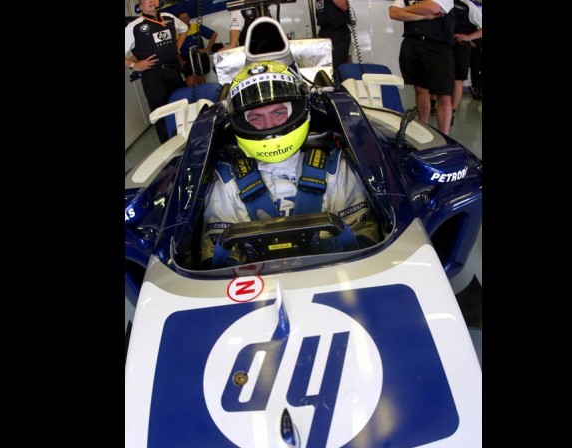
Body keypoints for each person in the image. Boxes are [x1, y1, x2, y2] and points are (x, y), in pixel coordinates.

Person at [200, 61, 381, 268]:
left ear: (299, 111)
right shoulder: (226, 180)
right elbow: (217, 261)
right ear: (240, 122)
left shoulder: (334, 167)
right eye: (256, 117)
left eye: (278, 113)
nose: (269, 126)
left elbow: (365, 240)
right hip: (258, 289)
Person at [125, 0, 188, 143]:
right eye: (146, 0)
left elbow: (184, 29)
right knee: (161, 115)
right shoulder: (134, 26)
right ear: (140, 6)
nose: (151, 2)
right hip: (153, 76)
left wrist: (176, 47)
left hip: (173, 71)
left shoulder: (168, 17)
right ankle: (170, 150)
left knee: (182, 107)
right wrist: (134, 66)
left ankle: (188, 140)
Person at [389, 0, 455, 134]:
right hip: (412, 44)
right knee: (420, 89)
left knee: (444, 95)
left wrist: (407, 10)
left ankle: (445, 137)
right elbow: (394, 13)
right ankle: (423, 129)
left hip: (438, 46)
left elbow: (432, 7)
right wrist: (423, 16)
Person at [449, 0, 482, 124]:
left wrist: (468, 37)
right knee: (439, 77)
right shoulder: (442, 2)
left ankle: (451, 112)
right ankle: (433, 106)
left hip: (460, 48)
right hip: (442, 47)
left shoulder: (468, 6)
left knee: (457, 80)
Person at [177, 12, 218, 86]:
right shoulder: (176, 33)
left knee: (200, 79)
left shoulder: (197, 26)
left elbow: (214, 34)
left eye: (186, 17)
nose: (185, 19)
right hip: (186, 59)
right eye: (182, 18)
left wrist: (208, 49)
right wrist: (180, 61)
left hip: (199, 56)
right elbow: (174, 49)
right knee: (190, 82)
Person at [315, 0, 352, 68]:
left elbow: (344, 6)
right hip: (324, 32)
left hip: (337, 33)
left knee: (337, 67)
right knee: (324, 66)